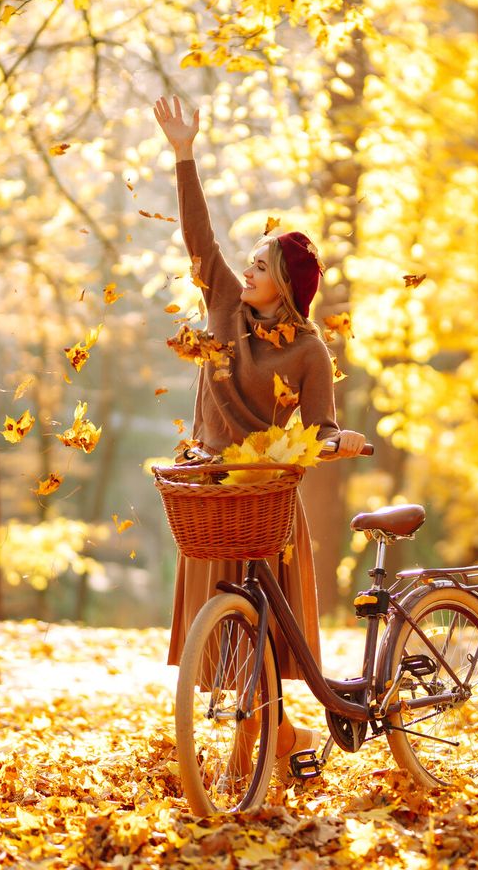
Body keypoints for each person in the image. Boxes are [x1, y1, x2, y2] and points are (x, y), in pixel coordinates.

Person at [153, 94, 366, 767]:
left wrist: (342, 441)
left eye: (261, 266)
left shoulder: (308, 352)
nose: (246, 271)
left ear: (286, 286)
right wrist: (184, 153)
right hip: (213, 494)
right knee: (220, 644)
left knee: (264, 644)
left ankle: (262, 753)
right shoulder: (223, 307)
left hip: (267, 500)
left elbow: (321, 430)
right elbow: (199, 239)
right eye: (249, 262)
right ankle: (276, 747)